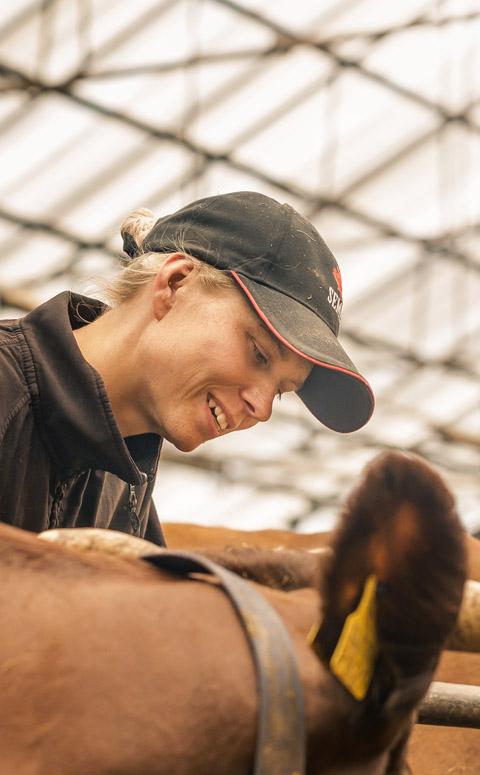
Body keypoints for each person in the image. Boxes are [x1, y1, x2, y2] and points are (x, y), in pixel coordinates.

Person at [0, 190, 374, 545]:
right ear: (174, 284)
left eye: (281, 391)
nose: (262, 409)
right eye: (259, 353)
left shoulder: (124, 481)